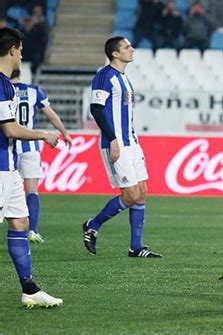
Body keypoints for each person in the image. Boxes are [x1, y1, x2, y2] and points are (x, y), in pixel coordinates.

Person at [0, 27, 62, 308]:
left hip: (10, 167)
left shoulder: (6, 84)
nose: (22, 54)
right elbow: (11, 129)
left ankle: (30, 289)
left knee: (20, 223)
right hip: (0, 167)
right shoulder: (1, 84)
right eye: (21, 49)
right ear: (13, 49)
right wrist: (44, 134)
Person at [83, 36, 161, 258]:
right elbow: (96, 109)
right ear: (115, 54)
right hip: (115, 143)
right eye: (127, 47)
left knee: (142, 193)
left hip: (132, 143)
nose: (132, 49)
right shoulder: (104, 76)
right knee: (130, 195)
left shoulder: (124, 79)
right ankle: (93, 225)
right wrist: (113, 139)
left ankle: (135, 247)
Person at [11, 68, 72, 243]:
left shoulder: (3, 89)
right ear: (21, 75)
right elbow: (51, 115)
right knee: (32, 190)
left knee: (5, 188)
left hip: (10, 146)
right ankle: (33, 230)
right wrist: (65, 133)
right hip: (30, 145)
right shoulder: (33, 90)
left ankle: (15, 226)